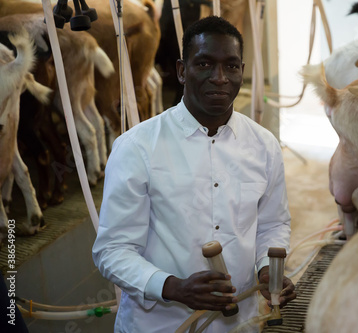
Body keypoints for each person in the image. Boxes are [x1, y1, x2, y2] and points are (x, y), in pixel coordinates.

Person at [92, 15, 296, 333]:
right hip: (158, 325)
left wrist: (268, 269)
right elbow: (112, 250)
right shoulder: (138, 147)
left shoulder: (263, 145)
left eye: (231, 66)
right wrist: (173, 287)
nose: (220, 78)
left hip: (239, 324)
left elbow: (272, 225)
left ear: (242, 70)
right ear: (181, 71)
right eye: (204, 64)